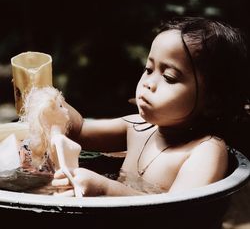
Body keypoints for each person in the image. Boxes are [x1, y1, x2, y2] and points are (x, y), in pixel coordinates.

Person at [52, 17, 249, 196]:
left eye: (169, 77)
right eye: (148, 69)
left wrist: (105, 189)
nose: (148, 83)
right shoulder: (137, 128)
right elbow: (79, 131)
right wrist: (52, 103)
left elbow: (179, 215)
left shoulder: (206, 151)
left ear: (212, 103)